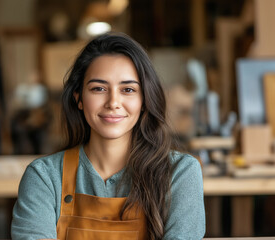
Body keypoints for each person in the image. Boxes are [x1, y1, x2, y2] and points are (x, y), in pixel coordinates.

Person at [11, 33, 205, 240]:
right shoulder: (44, 177)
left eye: (128, 89)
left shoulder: (179, 173)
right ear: (79, 99)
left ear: (144, 101)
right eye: (99, 88)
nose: (113, 102)